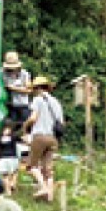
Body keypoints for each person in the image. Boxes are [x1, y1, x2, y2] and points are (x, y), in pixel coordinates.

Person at [24, 75, 64, 203]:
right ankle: (50, 196)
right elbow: (61, 122)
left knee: (31, 166)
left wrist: (25, 126)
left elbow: (33, 118)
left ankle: (44, 188)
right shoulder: (56, 102)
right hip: (53, 138)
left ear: (37, 89)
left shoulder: (38, 100)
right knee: (48, 169)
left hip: (39, 135)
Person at [2, 52, 33, 130]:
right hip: (10, 106)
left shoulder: (25, 74)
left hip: (23, 105)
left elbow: (29, 90)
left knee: (25, 128)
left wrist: (13, 88)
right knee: (11, 129)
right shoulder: (3, 73)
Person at [0, 119, 21, 193]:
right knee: (15, 172)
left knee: (5, 176)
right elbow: (24, 140)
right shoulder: (14, 137)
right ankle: (12, 183)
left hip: (3, 159)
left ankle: (8, 191)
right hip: (13, 158)